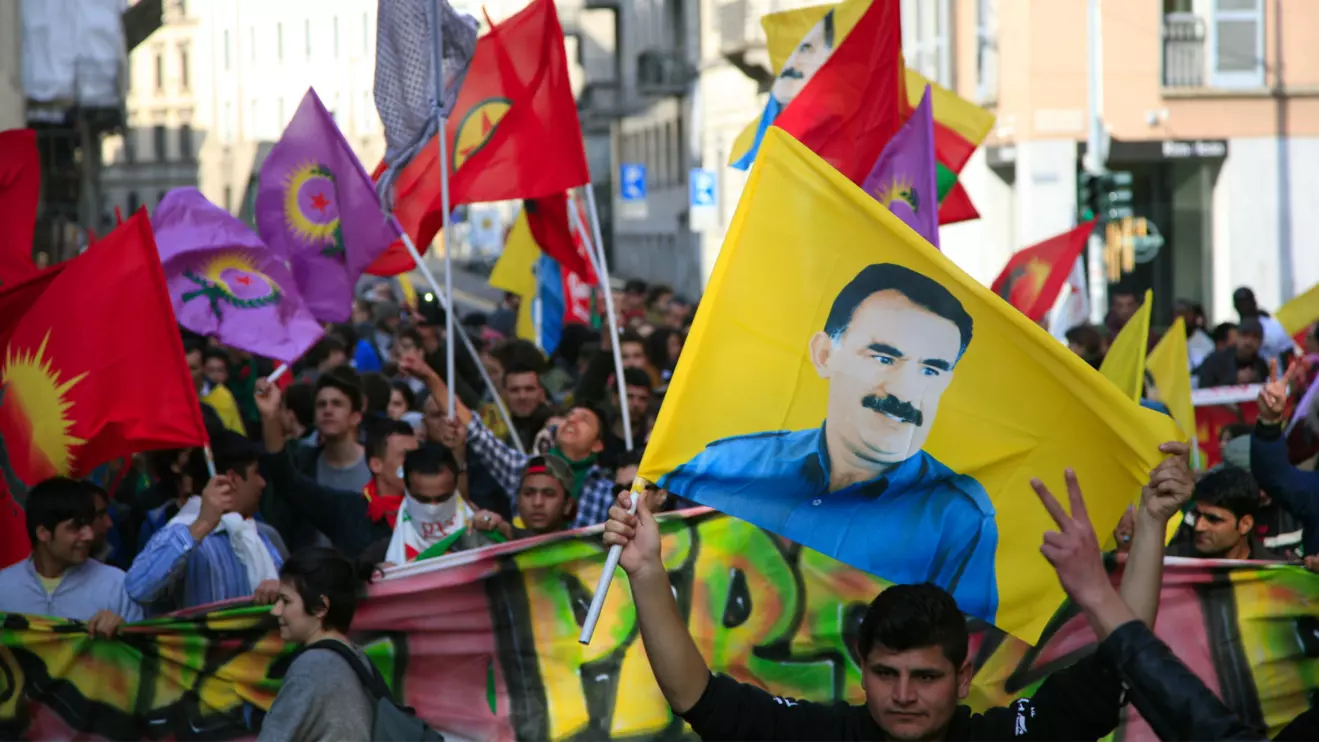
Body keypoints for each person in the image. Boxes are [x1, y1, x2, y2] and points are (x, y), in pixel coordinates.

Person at [602, 441, 1256, 740]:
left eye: (925, 676)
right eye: (886, 673)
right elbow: (697, 697)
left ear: (963, 676)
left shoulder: (1009, 738)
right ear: (861, 671)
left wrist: (1148, 527)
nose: (904, 695)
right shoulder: (824, 736)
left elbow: (1124, 660)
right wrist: (647, 574)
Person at [660, 263, 998, 620]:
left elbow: (969, 653)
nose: (905, 389)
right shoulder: (725, 467)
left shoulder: (957, 517)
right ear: (824, 354)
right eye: (884, 358)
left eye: (930, 370)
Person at [403, 353, 615, 529]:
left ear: (597, 444)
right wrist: (429, 377)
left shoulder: (608, 493)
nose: (572, 421)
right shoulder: (524, 470)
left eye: (583, 420)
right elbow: (472, 426)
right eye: (569, 416)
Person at [125, 430, 283, 611]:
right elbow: (137, 588)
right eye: (256, 472)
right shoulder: (182, 530)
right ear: (231, 479)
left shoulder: (256, 537)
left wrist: (279, 590)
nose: (262, 483)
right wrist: (202, 525)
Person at [258, 548, 375, 742]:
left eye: (285, 601)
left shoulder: (312, 666)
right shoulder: (357, 657)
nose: (276, 611)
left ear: (321, 607)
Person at [0, 478, 141, 634]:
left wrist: (125, 631)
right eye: (76, 527)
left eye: (89, 524)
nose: (89, 535)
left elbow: (144, 652)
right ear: (43, 533)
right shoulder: (4, 588)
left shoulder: (115, 585)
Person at [1167, 467, 1281, 560]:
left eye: (1213, 519)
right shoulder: (1169, 563)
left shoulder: (1279, 578)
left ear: (1245, 524)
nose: (1198, 527)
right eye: (1196, 515)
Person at [471, 454, 577, 540]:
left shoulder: (586, 551)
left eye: (549, 494)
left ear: (567, 505)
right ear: (518, 500)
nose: (537, 502)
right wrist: (486, 521)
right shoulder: (499, 540)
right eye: (528, 493)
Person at [1197, 317, 1269, 388]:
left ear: (1261, 342)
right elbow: (1204, 391)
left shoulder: (1261, 366)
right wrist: (1234, 380)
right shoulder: (1213, 361)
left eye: (1255, 337)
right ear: (1236, 337)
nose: (1249, 342)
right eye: (1244, 335)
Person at [1233, 286, 1294, 360]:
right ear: (1235, 306)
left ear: (1254, 302)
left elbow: (1288, 353)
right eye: (1241, 303)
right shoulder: (1233, 332)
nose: (1245, 306)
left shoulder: (1274, 327)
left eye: (1247, 302)